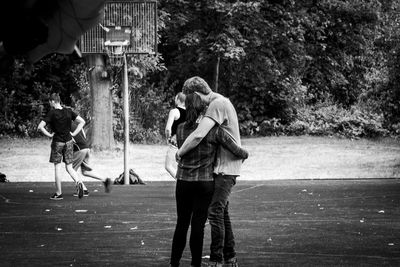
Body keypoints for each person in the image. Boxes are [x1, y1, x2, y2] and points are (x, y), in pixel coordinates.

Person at [170, 93, 248, 267]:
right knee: (198, 225)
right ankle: (196, 264)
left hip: (183, 181)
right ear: (203, 109)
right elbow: (234, 148)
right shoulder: (214, 131)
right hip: (204, 183)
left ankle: (173, 263)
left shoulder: (181, 129)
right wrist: (245, 154)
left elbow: (181, 145)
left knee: (181, 224)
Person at [37, 93, 85, 200]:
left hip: (57, 142)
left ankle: (58, 193)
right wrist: (74, 133)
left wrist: (49, 134)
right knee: (69, 167)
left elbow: (40, 127)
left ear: (53, 101)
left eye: (50, 102)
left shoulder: (52, 113)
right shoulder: (68, 111)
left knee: (57, 167)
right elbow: (82, 122)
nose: (50, 104)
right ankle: (78, 182)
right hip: (68, 141)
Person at [70, 121, 112, 197]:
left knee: (71, 170)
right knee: (85, 171)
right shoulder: (77, 125)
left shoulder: (64, 126)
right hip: (86, 148)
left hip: (80, 149)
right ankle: (105, 180)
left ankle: (84, 190)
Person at [164, 92, 186, 179]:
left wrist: (168, 138)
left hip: (175, 141)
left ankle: (180, 181)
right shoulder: (190, 113)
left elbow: (168, 129)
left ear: (178, 99)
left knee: (168, 166)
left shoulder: (174, 111)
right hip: (186, 143)